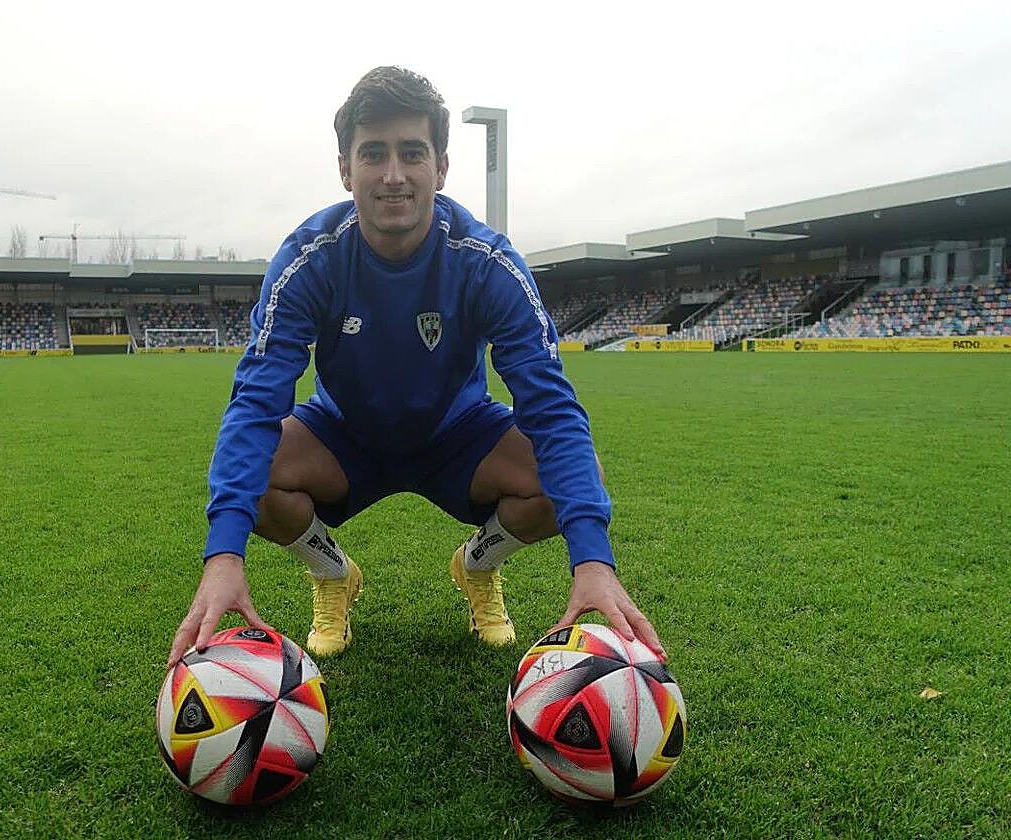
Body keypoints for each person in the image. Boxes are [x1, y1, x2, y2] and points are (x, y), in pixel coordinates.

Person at [168, 67, 666, 668]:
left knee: (561, 482)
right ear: (346, 168)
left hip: (458, 435)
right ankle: (332, 575)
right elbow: (256, 402)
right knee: (261, 478)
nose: (394, 174)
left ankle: (477, 566)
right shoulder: (309, 259)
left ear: (442, 167)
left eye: (413, 152)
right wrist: (224, 556)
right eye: (373, 154)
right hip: (344, 435)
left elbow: (552, 407)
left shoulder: (485, 263)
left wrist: (593, 561)